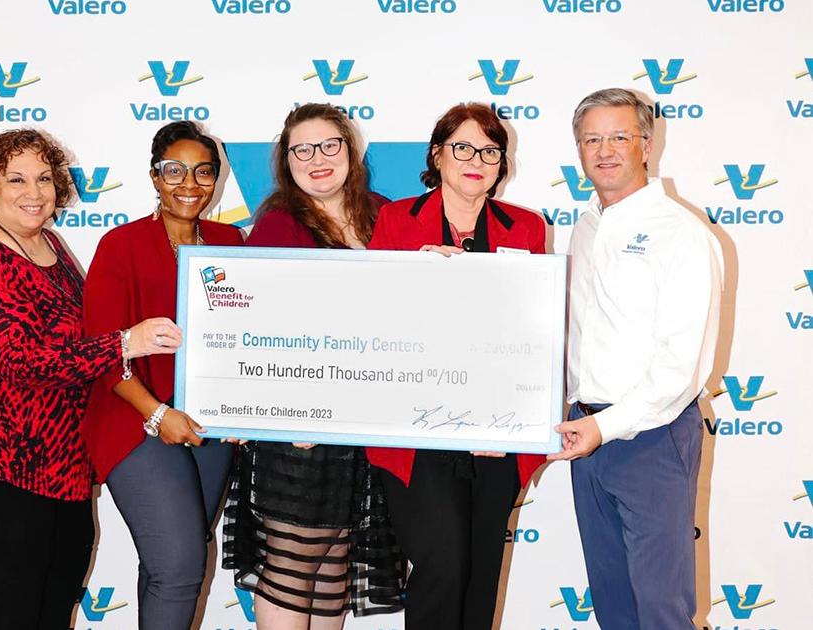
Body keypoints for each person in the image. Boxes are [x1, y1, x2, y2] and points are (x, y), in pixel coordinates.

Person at [0, 129, 179, 630]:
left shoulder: (47, 243)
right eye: (17, 179)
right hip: (7, 445)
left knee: (65, 573)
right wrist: (124, 344)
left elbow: (81, 330)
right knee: (18, 580)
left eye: (45, 178)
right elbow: (24, 360)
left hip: (63, 447)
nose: (35, 192)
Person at [222, 103, 404, 629]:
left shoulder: (383, 212)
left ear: (350, 150)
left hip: (362, 420)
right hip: (296, 428)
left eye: (329, 145)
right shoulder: (278, 224)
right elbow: (249, 329)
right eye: (302, 149)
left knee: (334, 561)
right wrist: (282, 413)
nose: (317, 158)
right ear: (287, 161)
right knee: (294, 562)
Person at [365, 102, 546, 630]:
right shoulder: (397, 219)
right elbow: (372, 319)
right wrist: (413, 280)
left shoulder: (526, 228)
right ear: (437, 155)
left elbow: (535, 332)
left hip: (497, 431)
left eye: (490, 150)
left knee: (480, 574)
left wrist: (515, 422)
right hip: (417, 432)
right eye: (462, 147)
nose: (477, 160)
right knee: (442, 567)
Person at [547, 88, 723, 629]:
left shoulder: (682, 235)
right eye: (591, 139)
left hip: (653, 433)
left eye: (619, 137)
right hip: (588, 431)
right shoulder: (584, 227)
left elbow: (680, 367)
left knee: (661, 605)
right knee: (614, 603)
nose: (604, 150)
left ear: (646, 144)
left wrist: (606, 426)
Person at [82, 121, 243, 629]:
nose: (189, 184)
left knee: (172, 565)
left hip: (210, 425)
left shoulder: (230, 241)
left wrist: (250, 406)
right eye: (174, 171)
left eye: (203, 172)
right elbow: (102, 351)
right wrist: (156, 415)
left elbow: (249, 334)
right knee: (178, 565)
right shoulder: (120, 244)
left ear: (216, 179)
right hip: (136, 418)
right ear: (155, 177)